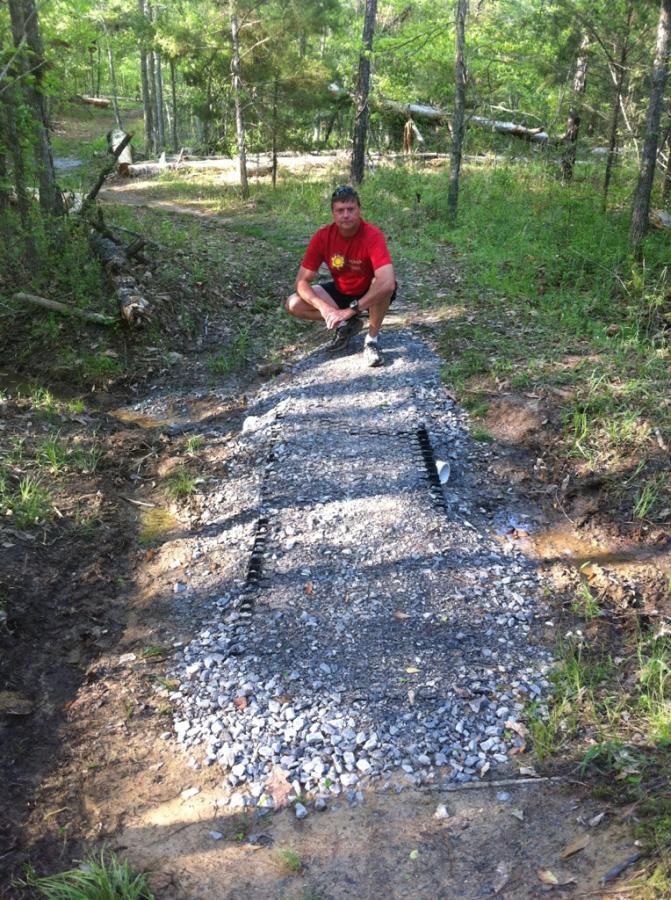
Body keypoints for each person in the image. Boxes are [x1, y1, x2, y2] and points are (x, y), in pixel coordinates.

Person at [285, 185, 397, 367]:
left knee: (382, 284)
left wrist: (352, 309)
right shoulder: (322, 237)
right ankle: (347, 324)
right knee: (293, 303)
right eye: (340, 210)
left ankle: (371, 341)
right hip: (342, 290)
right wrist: (325, 309)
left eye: (351, 210)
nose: (346, 215)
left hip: (369, 291)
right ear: (333, 214)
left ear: (359, 210)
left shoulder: (372, 235)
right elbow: (301, 282)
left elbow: (387, 282)